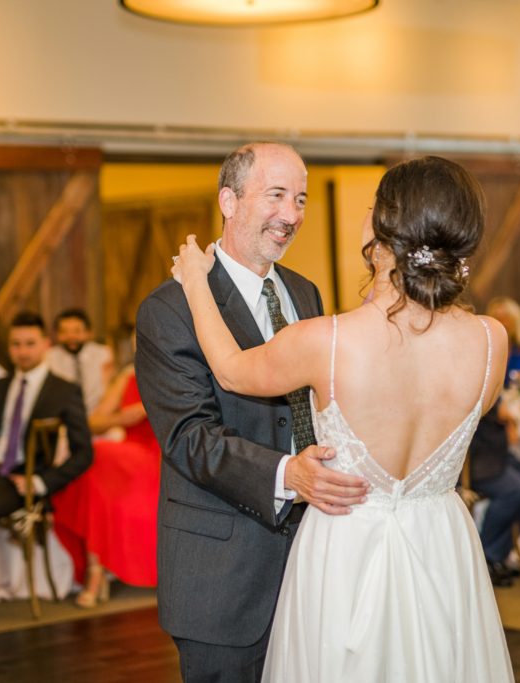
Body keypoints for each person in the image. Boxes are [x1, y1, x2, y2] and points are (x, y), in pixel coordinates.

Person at [171, 155, 513, 681]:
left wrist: (196, 282)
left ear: (384, 227)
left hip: (348, 545)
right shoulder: (491, 340)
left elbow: (232, 372)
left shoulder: (328, 341)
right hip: (440, 540)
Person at [135, 142, 370, 682]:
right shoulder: (170, 309)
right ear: (229, 200)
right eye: (276, 195)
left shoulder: (305, 294)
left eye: (301, 199)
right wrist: (290, 475)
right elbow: (189, 437)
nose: (292, 215)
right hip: (223, 572)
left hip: (313, 560)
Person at [0, 312, 93, 559]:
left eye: (30, 343)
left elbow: (84, 453)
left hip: (20, 480)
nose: (22, 351)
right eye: (16, 344)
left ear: (46, 344)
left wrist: (41, 482)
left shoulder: (64, 391)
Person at [53, 348, 161, 608]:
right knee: (95, 461)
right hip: (132, 452)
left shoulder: (178, 373)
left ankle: (95, 573)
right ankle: (95, 568)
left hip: (162, 455)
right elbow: (95, 422)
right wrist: (123, 417)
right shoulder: (128, 376)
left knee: (96, 462)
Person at [468, 399, 520, 587]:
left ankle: (496, 553)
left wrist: (509, 420)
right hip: (476, 459)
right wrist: (507, 417)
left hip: (498, 454)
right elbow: (494, 411)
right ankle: (485, 556)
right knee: (514, 489)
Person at [45, 308, 115, 412]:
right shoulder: (48, 357)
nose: (71, 336)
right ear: (57, 335)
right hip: (64, 414)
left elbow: (112, 388)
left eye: (77, 331)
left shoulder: (104, 354)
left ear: (89, 333)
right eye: (64, 331)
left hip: (99, 413)